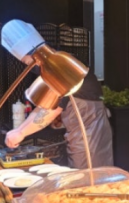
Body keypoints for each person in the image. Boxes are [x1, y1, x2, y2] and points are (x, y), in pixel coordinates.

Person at [2, 20, 113, 169]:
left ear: (35, 57)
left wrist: (21, 133)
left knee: (90, 176)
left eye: (27, 62)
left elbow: (51, 111)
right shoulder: (53, 63)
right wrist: (19, 130)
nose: (29, 66)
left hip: (90, 134)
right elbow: (45, 105)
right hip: (79, 132)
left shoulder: (62, 66)